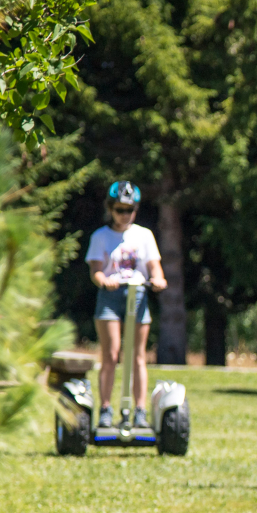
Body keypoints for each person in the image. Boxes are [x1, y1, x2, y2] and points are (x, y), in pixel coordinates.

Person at [86, 181, 167, 429]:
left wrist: (159, 280)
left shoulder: (144, 235)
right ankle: (106, 410)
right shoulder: (100, 236)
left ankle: (139, 410)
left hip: (138, 296)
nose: (125, 215)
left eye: (130, 210)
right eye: (120, 209)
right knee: (111, 354)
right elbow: (95, 271)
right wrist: (105, 281)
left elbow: (156, 268)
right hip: (110, 297)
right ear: (110, 209)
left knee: (138, 356)